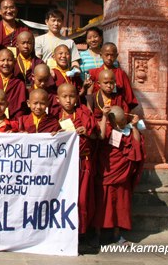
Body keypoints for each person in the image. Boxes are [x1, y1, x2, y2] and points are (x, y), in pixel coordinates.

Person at [93, 105, 144, 246]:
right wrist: (104, 117)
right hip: (105, 173)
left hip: (121, 175)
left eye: (123, 123)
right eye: (119, 123)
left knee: (121, 205)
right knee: (100, 204)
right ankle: (97, 235)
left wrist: (133, 126)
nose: (121, 126)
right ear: (111, 122)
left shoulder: (125, 131)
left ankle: (117, 234)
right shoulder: (106, 129)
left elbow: (136, 145)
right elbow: (101, 136)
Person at [55, 83, 97, 235]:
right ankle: (61, 232)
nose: (68, 100)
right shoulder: (54, 115)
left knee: (82, 199)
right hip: (61, 165)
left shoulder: (83, 112)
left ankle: (81, 233)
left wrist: (87, 132)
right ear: (57, 99)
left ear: (77, 97)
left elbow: (96, 135)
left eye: (72, 96)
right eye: (64, 97)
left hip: (82, 162)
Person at [88, 43, 138, 111]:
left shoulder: (121, 74)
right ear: (101, 55)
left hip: (117, 111)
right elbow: (89, 95)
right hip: (98, 110)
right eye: (107, 55)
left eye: (112, 55)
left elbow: (129, 98)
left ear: (116, 56)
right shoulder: (94, 73)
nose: (109, 58)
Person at [0, 48, 27, 121]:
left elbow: (21, 108)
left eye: (9, 60)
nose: (6, 63)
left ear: (14, 62)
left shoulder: (19, 84)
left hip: (14, 121)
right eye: (2, 60)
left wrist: (14, 124)